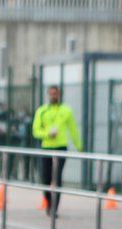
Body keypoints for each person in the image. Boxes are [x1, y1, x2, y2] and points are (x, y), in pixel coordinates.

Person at [32, 85, 81, 217]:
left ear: (59, 95)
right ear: (48, 95)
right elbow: (36, 131)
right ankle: (48, 203)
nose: (54, 96)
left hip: (60, 147)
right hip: (46, 147)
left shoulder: (66, 110)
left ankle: (55, 208)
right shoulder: (42, 111)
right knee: (46, 178)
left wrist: (79, 146)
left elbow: (73, 129)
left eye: (56, 94)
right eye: (51, 94)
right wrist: (47, 134)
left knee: (57, 178)